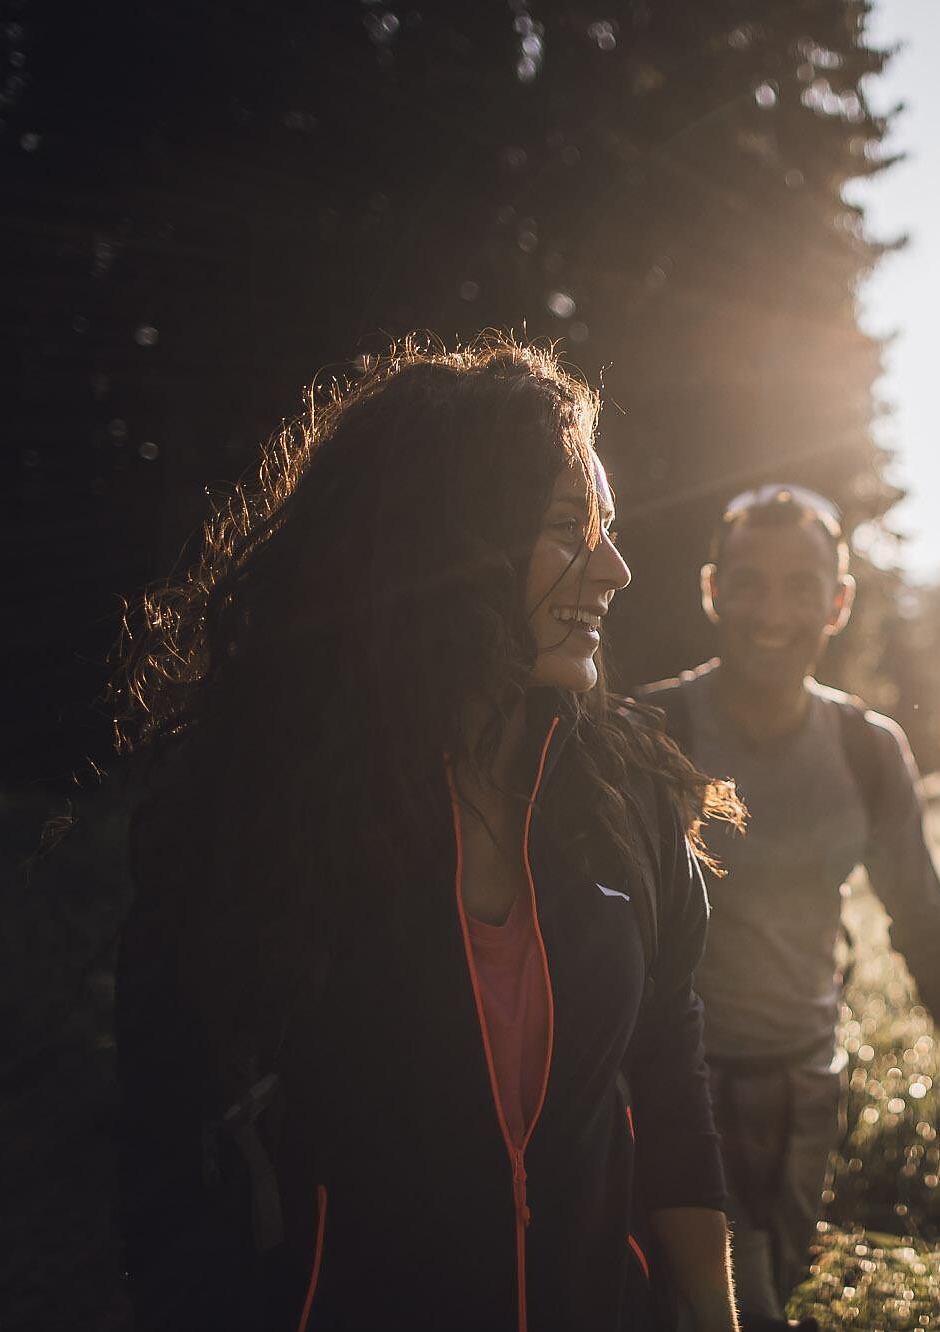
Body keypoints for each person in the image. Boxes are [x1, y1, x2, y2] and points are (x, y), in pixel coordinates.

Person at [112, 339, 743, 1332]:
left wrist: (712, 1310)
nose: (615, 568)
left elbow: (668, 1066)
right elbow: (166, 1164)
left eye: (607, 529)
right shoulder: (246, 819)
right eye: (566, 529)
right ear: (449, 547)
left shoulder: (628, 795)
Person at [639, 485, 940, 1329]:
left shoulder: (868, 752)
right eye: (749, 583)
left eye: (802, 585)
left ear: (838, 603)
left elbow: (930, 935)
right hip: (668, 1100)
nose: (772, 610)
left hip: (807, 1098)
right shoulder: (652, 735)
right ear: (711, 590)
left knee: (772, 1289)